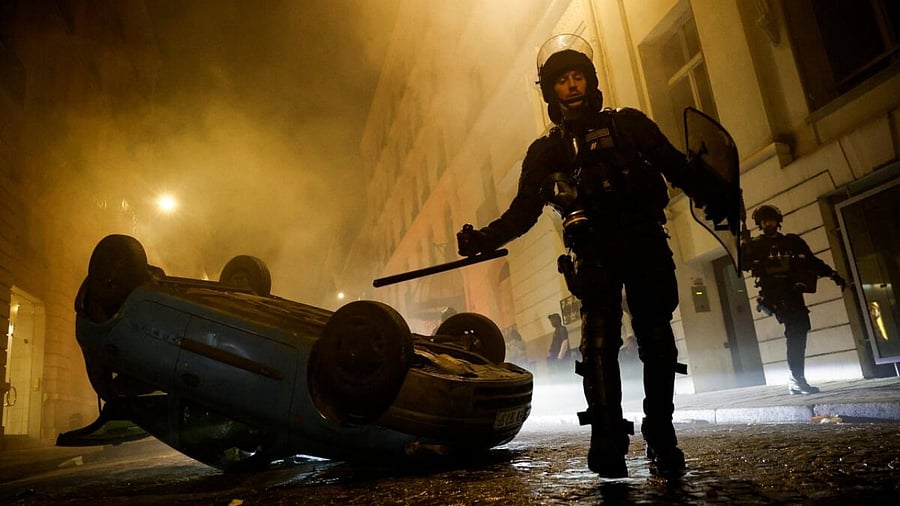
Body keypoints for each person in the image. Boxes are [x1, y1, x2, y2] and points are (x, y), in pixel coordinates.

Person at [456, 33, 728, 478]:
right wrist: (483, 239)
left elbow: (674, 164)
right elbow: (522, 212)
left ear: (590, 80)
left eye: (577, 75)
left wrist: (711, 191)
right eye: (561, 80)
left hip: (643, 240)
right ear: (551, 91)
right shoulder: (545, 151)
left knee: (657, 340)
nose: (572, 85)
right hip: (594, 250)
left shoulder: (628, 124)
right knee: (599, 343)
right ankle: (607, 440)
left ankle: (661, 436)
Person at [741, 204, 846, 395]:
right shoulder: (755, 246)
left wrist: (832, 274)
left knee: (800, 329)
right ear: (760, 224)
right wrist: (744, 246)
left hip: (793, 293)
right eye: (764, 221)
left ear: (778, 221)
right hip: (775, 295)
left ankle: (795, 377)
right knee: (796, 329)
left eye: (771, 220)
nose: (768, 224)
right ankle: (796, 377)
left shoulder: (792, 241)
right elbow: (742, 265)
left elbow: (811, 261)